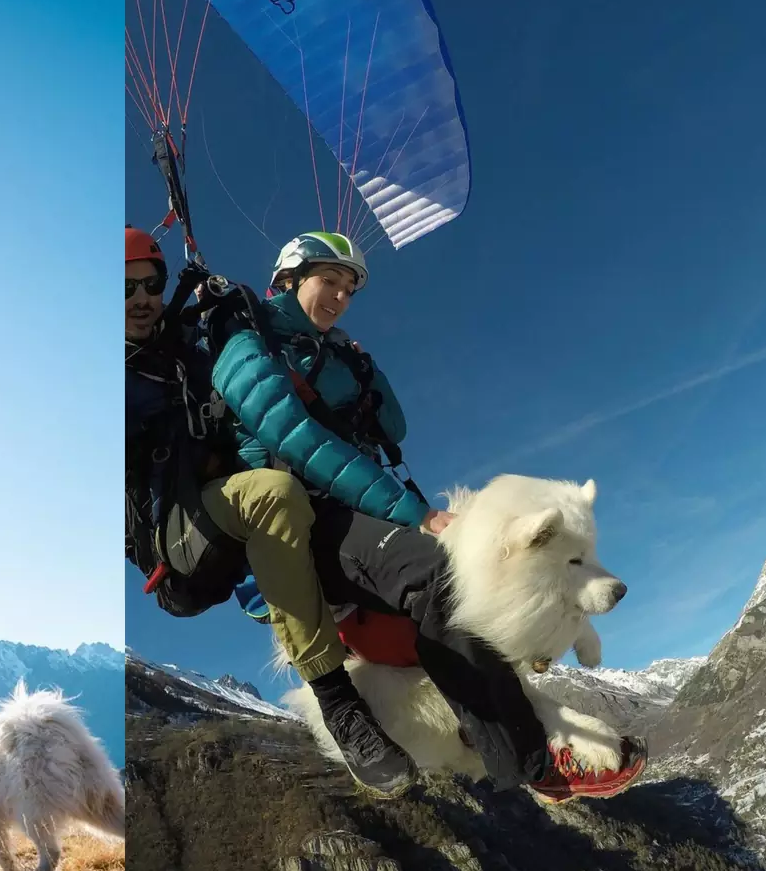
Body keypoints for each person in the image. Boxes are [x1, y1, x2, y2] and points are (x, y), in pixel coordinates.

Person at [204, 231, 645, 799]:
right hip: (297, 528)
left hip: (352, 518)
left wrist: (362, 372)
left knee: (473, 569)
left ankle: (528, 684)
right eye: (327, 282)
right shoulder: (246, 346)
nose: (338, 298)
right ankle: (538, 764)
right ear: (287, 280)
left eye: (347, 289)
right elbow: (295, 439)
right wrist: (413, 513)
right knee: (441, 578)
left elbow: (394, 429)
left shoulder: (335, 354)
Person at [127, 225, 419, 795]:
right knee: (275, 492)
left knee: (404, 598)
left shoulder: (190, 337)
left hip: (229, 510)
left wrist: (353, 363)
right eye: (124, 288)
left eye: (152, 283)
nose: (141, 297)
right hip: (175, 536)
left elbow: (393, 426)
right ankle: (337, 703)